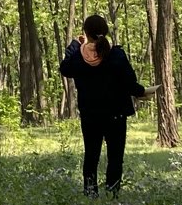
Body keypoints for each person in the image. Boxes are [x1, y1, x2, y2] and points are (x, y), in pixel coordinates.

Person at [59, 14, 147, 194]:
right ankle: (113, 192)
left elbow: (65, 68)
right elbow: (129, 82)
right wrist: (142, 92)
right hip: (116, 114)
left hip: (90, 115)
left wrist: (75, 45)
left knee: (91, 155)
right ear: (105, 31)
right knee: (115, 156)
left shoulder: (78, 57)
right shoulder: (116, 54)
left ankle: (91, 193)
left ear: (86, 32)